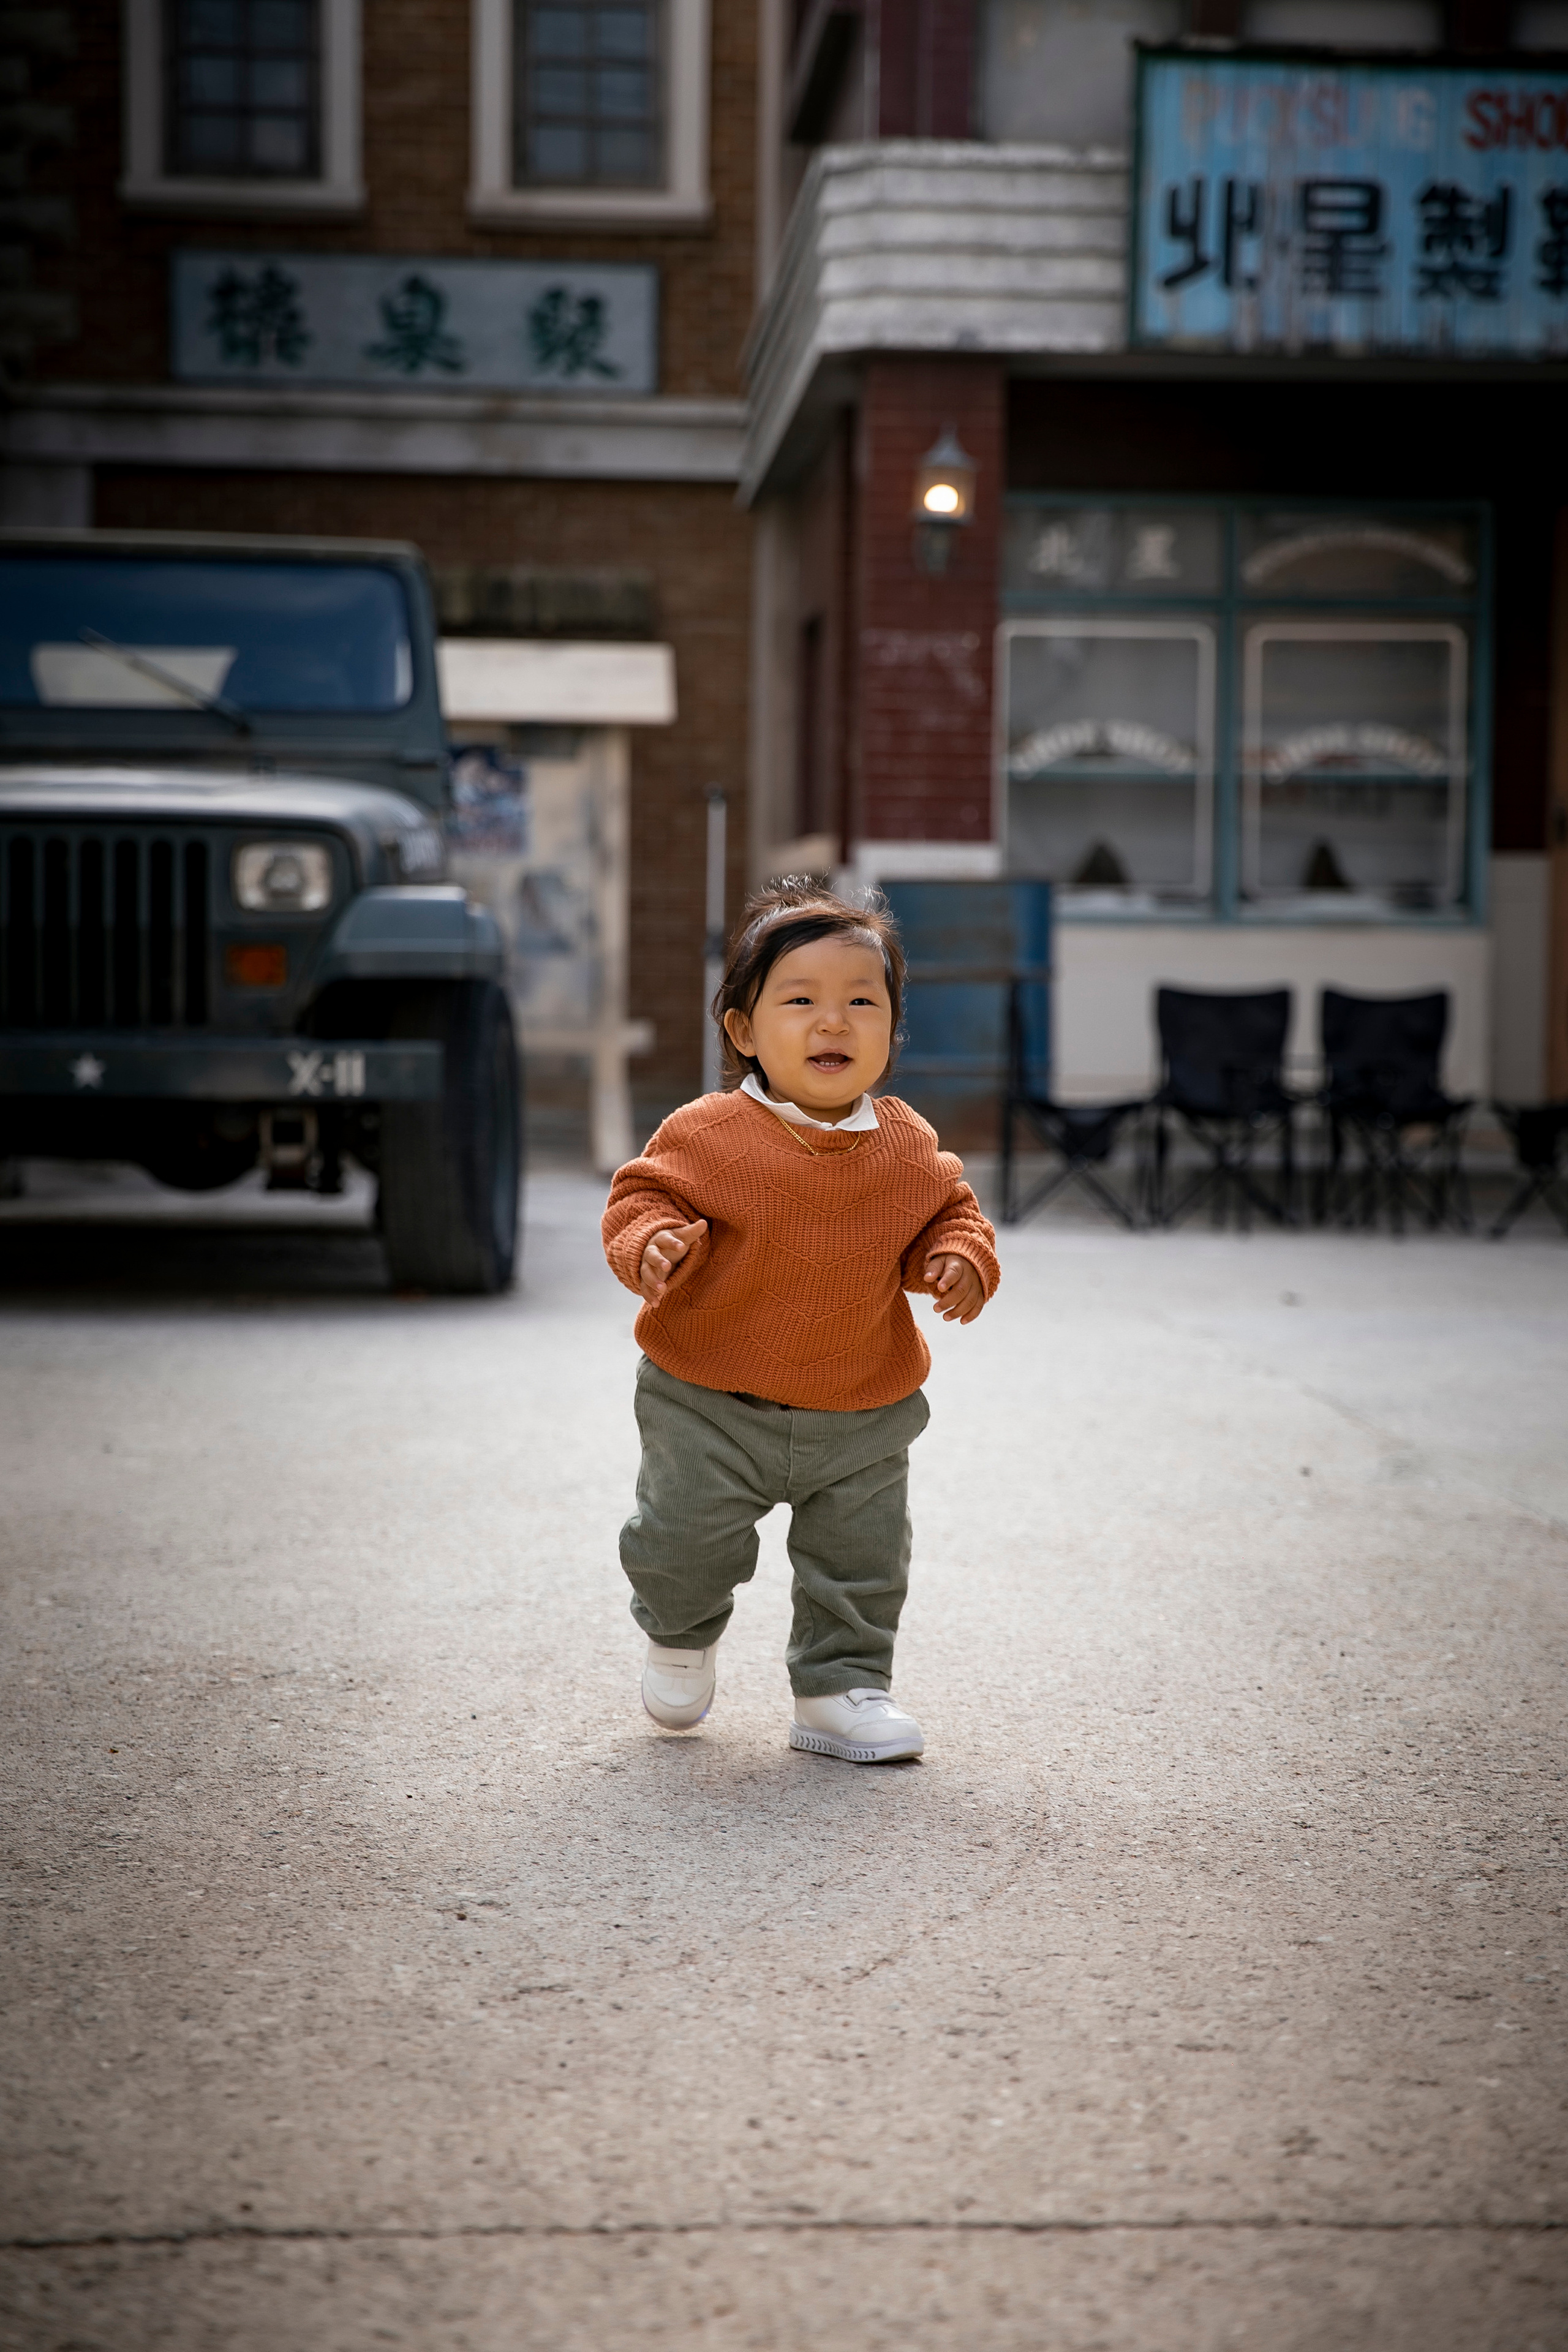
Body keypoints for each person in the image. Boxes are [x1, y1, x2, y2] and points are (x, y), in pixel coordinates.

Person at [600, 879, 999, 1764]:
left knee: (861, 1562)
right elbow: (640, 1194)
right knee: (680, 1539)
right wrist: (652, 1241)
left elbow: (951, 1210)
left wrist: (961, 1256)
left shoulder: (904, 1146)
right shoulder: (707, 1133)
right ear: (744, 1032)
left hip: (858, 1409)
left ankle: (840, 1688)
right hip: (709, 1400)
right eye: (802, 1001)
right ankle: (677, 1630)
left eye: (863, 1002)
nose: (834, 1023)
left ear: (892, 1035)